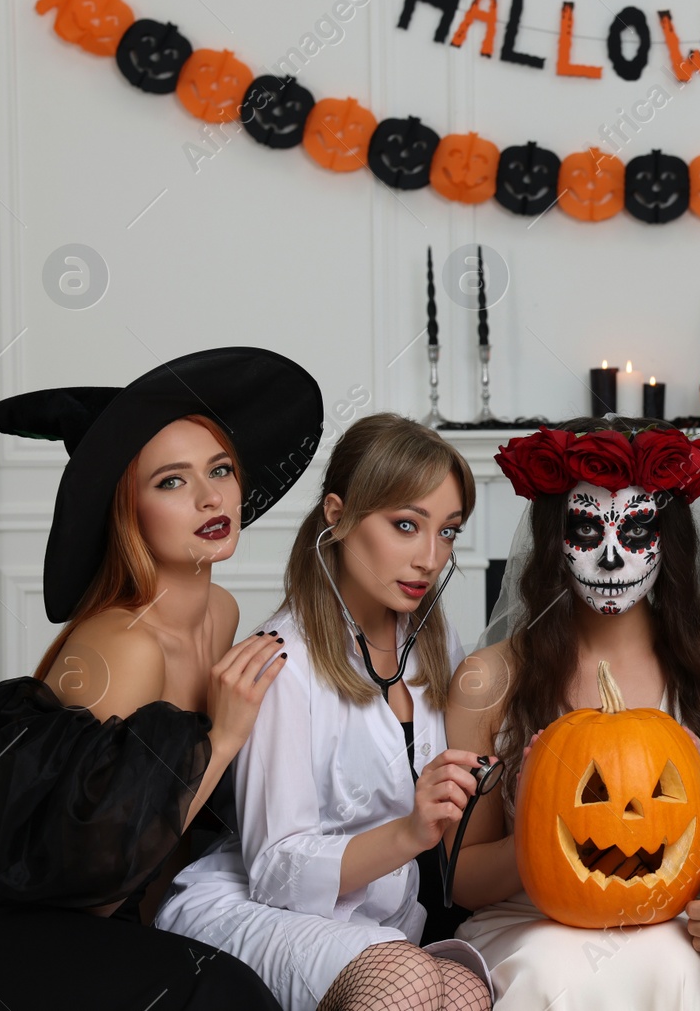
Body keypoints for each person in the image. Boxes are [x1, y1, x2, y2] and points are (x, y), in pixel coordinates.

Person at [0, 347, 323, 1009]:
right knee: (223, 990)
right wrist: (222, 740)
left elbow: (163, 836)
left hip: (93, 907)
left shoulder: (220, 610)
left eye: (221, 468)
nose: (210, 495)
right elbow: (92, 889)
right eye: (171, 481)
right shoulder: (123, 646)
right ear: (127, 507)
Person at [446, 417, 700, 1010]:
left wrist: (677, 825)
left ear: (669, 541)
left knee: (671, 962)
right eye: (585, 529)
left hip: (674, 918)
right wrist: (543, 829)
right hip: (530, 925)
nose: (610, 558)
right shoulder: (488, 677)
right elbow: (461, 877)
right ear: (555, 538)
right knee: (555, 970)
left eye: (636, 532)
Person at [156, 413, 492, 1011]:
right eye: (407, 526)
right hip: (251, 909)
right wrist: (411, 832)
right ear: (336, 516)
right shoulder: (280, 663)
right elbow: (276, 871)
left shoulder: (438, 650)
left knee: (467, 989)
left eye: (448, 532)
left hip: (371, 924)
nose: (430, 557)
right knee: (409, 982)